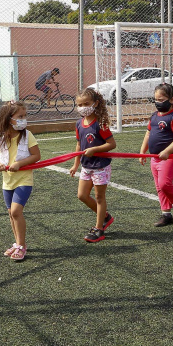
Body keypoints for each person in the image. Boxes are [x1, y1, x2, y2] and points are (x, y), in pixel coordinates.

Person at [0, 101, 40, 262]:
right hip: (7, 182)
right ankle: (17, 244)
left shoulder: (27, 135)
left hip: (24, 180)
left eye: (25, 116)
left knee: (16, 211)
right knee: (11, 213)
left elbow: (36, 156)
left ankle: (22, 245)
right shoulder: (0, 138)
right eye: (20, 116)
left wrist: (19, 164)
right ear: (9, 119)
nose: (24, 119)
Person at [69, 88, 117, 243]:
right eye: (80, 104)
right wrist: (75, 165)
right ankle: (105, 217)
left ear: (95, 103)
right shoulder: (79, 124)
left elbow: (111, 144)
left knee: (99, 196)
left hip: (100, 165)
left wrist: (95, 149)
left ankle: (99, 229)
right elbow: (78, 145)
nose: (83, 107)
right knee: (82, 195)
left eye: (86, 104)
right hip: (86, 165)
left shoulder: (100, 124)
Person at [139, 83, 173, 227]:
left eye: (161, 100)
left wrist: (167, 151)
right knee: (159, 187)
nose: (158, 103)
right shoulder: (154, 116)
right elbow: (148, 134)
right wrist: (142, 151)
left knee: (164, 183)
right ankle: (166, 214)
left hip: (171, 157)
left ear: (172, 100)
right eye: (156, 100)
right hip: (154, 158)